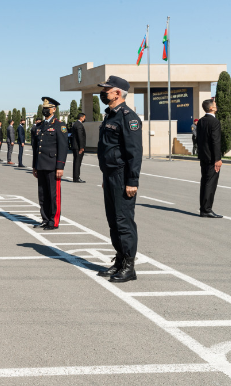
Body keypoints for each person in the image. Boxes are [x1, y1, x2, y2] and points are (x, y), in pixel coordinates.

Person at [96, 76, 142, 284]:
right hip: (110, 175)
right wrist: (105, 175)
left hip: (123, 176)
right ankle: (120, 259)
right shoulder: (110, 116)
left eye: (106, 89)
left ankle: (129, 266)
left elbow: (134, 152)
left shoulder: (127, 117)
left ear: (118, 93)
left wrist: (132, 180)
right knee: (113, 220)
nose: (103, 92)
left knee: (123, 221)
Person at [32, 97, 68, 231]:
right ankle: (45, 219)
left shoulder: (59, 125)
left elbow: (63, 147)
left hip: (53, 166)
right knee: (42, 194)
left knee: (54, 195)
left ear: (54, 109)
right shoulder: (40, 126)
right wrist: (34, 166)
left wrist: (60, 166)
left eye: (47, 108)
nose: (45, 110)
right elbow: (36, 148)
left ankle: (54, 221)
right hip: (41, 165)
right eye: (44, 108)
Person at [196, 99, 224, 219]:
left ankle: (203, 208)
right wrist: (218, 159)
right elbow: (215, 141)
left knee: (205, 182)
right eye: (215, 105)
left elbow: (199, 140)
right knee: (210, 183)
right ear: (211, 108)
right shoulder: (214, 122)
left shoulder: (201, 121)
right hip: (212, 158)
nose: (216, 106)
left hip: (204, 157)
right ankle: (207, 209)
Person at [71, 113, 87, 183]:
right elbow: (80, 136)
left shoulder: (75, 124)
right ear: (81, 117)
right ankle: (76, 178)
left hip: (75, 146)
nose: (84, 119)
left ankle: (75, 177)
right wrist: (81, 147)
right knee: (78, 162)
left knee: (76, 162)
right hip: (78, 147)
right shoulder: (79, 125)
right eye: (84, 117)